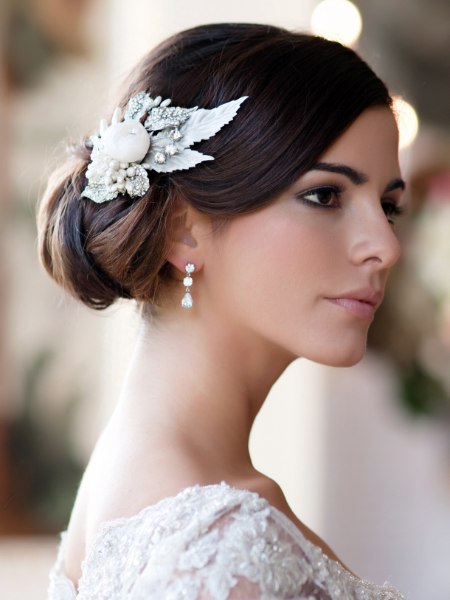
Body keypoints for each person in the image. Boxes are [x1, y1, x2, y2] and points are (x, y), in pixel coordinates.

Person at [39, 22, 407, 600]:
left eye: (389, 207)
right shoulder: (224, 549)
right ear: (184, 229)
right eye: (326, 195)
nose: (385, 247)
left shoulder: (136, 479)